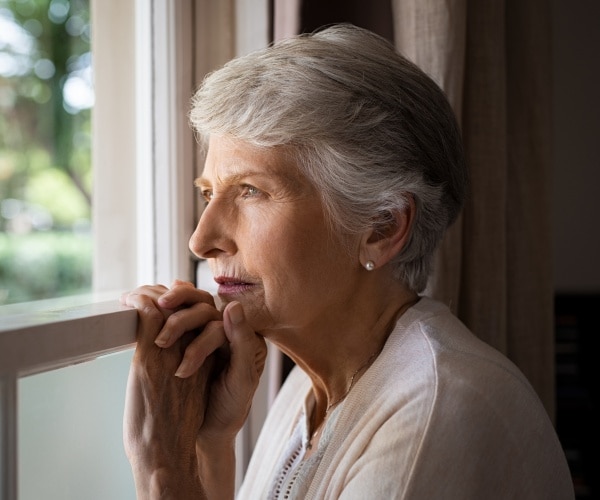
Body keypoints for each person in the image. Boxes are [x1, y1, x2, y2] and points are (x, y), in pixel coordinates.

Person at [120, 24, 574, 499]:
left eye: (251, 191)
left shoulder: (436, 412)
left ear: (381, 228)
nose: (201, 240)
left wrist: (163, 469)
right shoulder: (307, 390)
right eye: (209, 194)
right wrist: (209, 445)